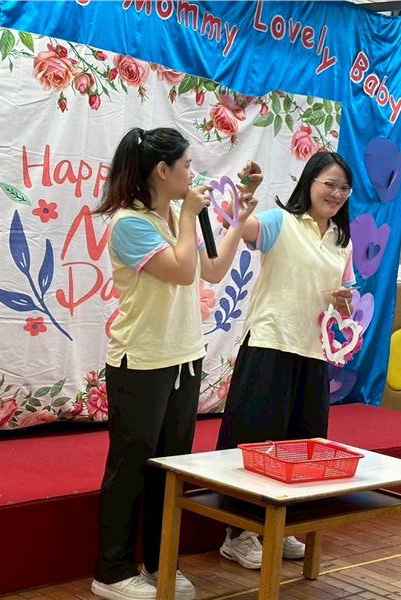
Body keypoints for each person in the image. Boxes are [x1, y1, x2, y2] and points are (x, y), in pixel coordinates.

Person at [91, 127, 257, 600]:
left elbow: (212, 270)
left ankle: (160, 563)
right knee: (130, 468)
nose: (192, 173)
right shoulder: (130, 224)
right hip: (141, 361)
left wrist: (238, 218)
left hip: (185, 358)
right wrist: (188, 216)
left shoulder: (175, 218)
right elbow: (183, 272)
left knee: (170, 468)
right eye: (186, 165)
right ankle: (111, 572)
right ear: (162, 171)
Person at [215, 151, 355, 569]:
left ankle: (280, 525)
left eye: (344, 188)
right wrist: (245, 193)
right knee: (255, 441)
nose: (336, 194)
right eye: (329, 184)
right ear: (309, 182)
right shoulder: (282, 222)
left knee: (302, 445)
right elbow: (235, 223)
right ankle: (238, 534)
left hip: (312, 353)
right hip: (270, 345)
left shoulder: (341, 241)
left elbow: (343, 303)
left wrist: (344, 304)